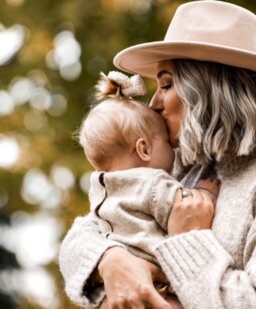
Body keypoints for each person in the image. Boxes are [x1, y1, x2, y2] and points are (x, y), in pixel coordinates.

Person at [59, 1, 256, 308]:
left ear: (214, 87)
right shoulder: (183, 164)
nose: (154, 103)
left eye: (167, 84)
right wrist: (111, 261)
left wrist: (188, 239)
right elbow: (87, 230)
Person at [72, 71, 218, 307]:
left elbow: (86, 231)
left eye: (167, 85)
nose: (173, 149)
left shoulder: (102, 189)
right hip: (160, 285)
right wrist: (208, 192)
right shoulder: (153, 184)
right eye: (164, 140)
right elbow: (187, 206)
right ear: (145, 150)